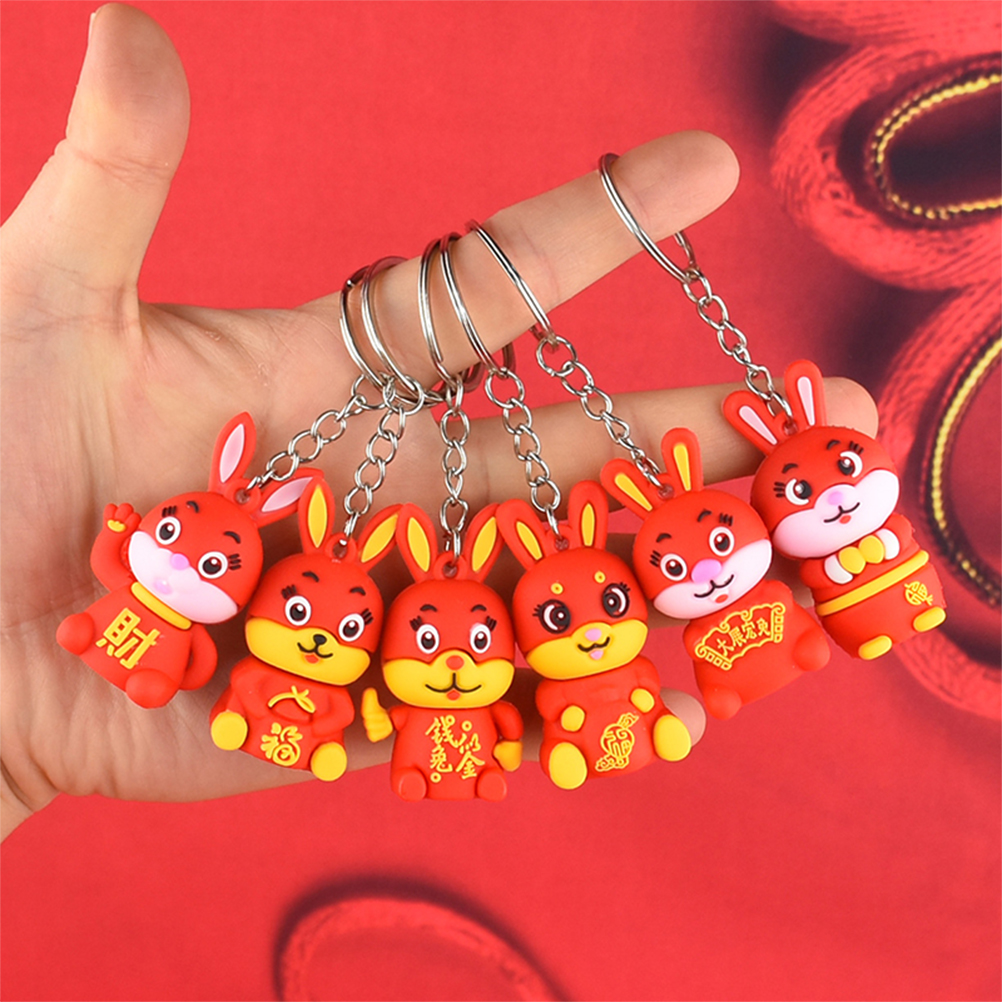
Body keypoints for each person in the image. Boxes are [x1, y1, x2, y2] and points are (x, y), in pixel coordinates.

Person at [0, 3, 876, 841]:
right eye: (344, 625)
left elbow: (474, 708)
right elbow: (185, 629)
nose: (454, 661)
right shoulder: (258, 624)